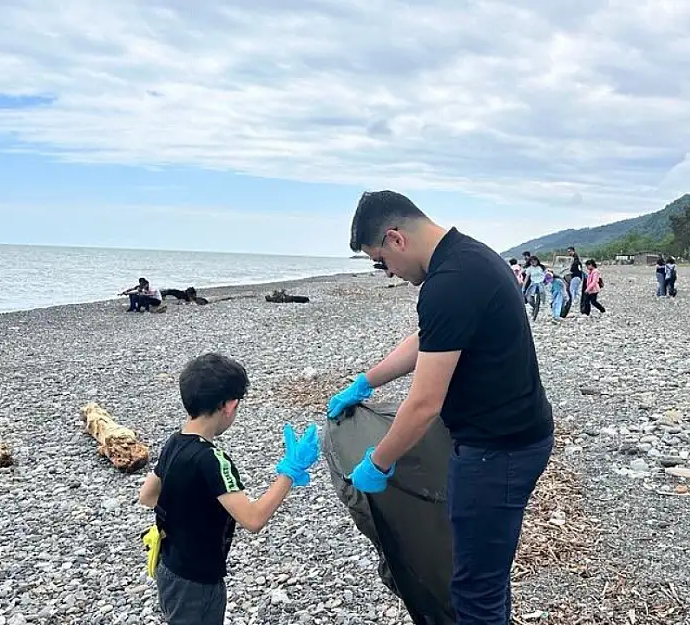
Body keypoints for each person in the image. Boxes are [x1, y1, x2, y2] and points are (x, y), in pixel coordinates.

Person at [327, 190, 554, 625]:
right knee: (486, 575)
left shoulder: (450, 282)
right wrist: (365, 382)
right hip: (514, 438)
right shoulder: (469, 258)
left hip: (496, 452)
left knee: (473, 590)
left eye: (381, 261)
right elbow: (427, 340)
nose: (389, 272)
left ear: (396, 239)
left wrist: (378, 462)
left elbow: (424, 404)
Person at [137, 353, 319, 625]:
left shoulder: (174, 442)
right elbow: (253, 519)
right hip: (198, 580)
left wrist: (188, 510)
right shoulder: (213, 460)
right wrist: (290, 471)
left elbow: (148, 495)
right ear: (229, 406)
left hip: (169, 566)